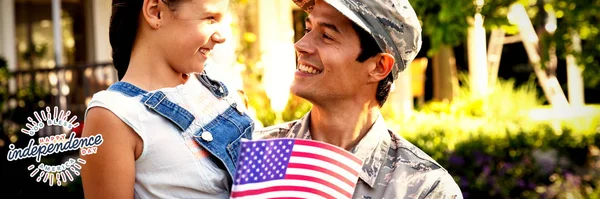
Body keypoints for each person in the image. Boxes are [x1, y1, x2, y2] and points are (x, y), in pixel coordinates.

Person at [255, 0, 463, 198]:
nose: (301, 45)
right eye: (308, 30)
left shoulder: (425, 188)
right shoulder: (256, 153)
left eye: (327, 35)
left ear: (379, 66)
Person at [81, 0, 253, 198]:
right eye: (210, 18)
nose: (222, 37)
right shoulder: (114, 116)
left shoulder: (216, 82)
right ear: (156, 13)